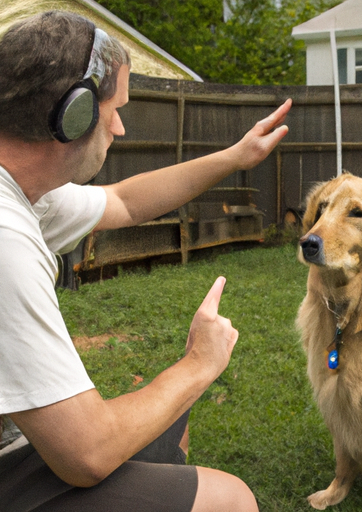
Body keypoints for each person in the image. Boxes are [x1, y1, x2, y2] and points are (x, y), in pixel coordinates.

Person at [0, 10, 291, 512]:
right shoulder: (5, 238)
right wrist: (200, 364)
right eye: (113, 108)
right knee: (233, 499)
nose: (121, 126)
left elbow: (124, 203)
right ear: (74, 114)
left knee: (169, 431)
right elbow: (85, 454)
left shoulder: (25, 190)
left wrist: (234, 157)